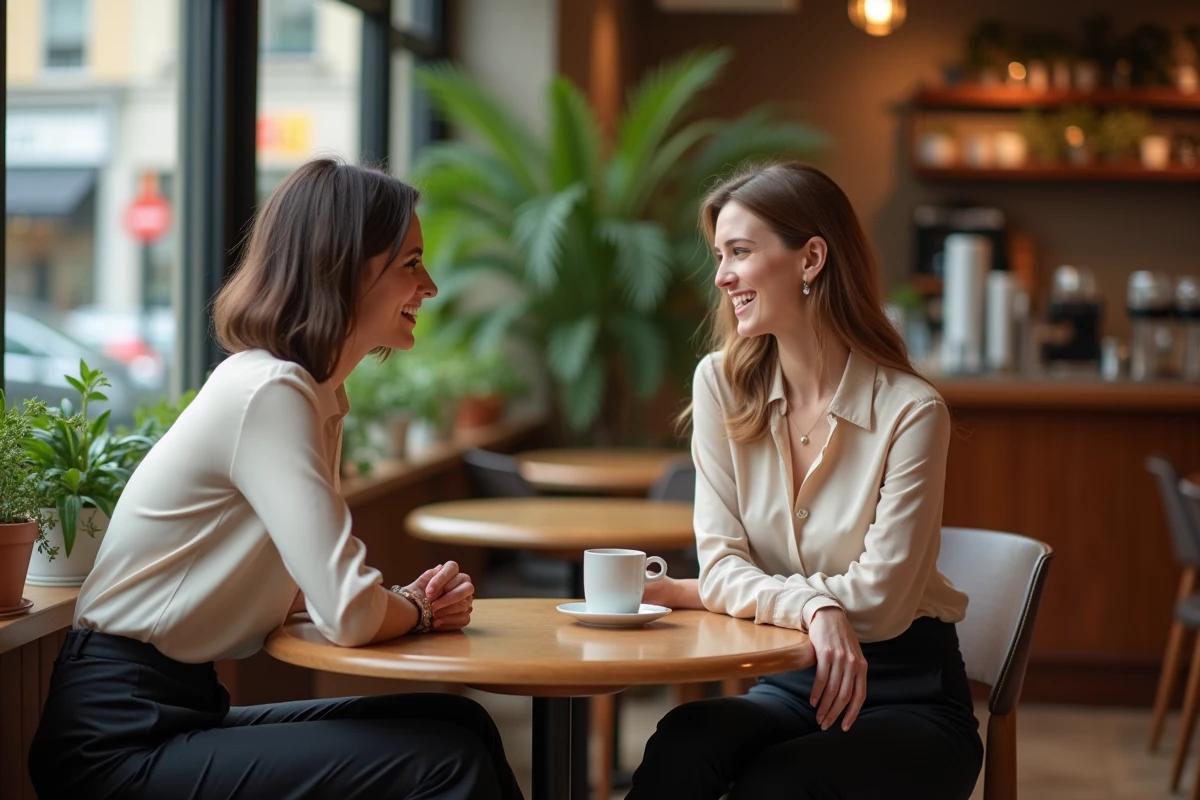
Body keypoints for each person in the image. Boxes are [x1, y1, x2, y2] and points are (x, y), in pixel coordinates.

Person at [29, 159, 525, 800]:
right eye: (410, 263)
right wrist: (418, 610)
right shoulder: (272, 391)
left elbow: (311, 596)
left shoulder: (316, 395)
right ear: (345, 269)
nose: (428, 285)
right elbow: (346, 612)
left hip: (175, 710)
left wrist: (399, 607)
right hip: (117, 741)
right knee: (444, 761)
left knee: (459, 722)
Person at [632, 162, 983, 799]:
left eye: (740, 251)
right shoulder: (719, 384)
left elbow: (878, 602)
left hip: (907, 697)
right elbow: (719, 566)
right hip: (790, 678)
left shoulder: (911, 411)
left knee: (780, 785)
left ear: (811, 258)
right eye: (720, 255)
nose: (722, 276)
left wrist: (775, 598)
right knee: (682, 743)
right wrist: (814, 606)